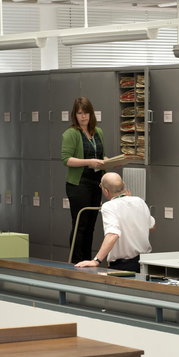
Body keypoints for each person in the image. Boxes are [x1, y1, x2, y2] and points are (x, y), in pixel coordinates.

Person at [75, 172, 155, 272]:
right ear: (124, 185)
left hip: (123, 266)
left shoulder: (109, 206)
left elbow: (113, 234)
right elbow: (152, 227)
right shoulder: (139, 201)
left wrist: (96, 260)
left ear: (105, 191)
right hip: (144, 264)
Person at [61, 97, 106, 263]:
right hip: (79, 184)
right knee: (80, 224)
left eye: (86, 112)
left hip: (96, 183)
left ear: (91, 114)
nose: (83, 116)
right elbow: (66, 159)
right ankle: (76, 261)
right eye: (80, 113)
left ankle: (87, 261)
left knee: (91, 226)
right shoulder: (71, 133)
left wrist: (108, 162)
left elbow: (99, 156)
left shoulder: (97, 132)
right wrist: (89, 162)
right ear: (75, 114)